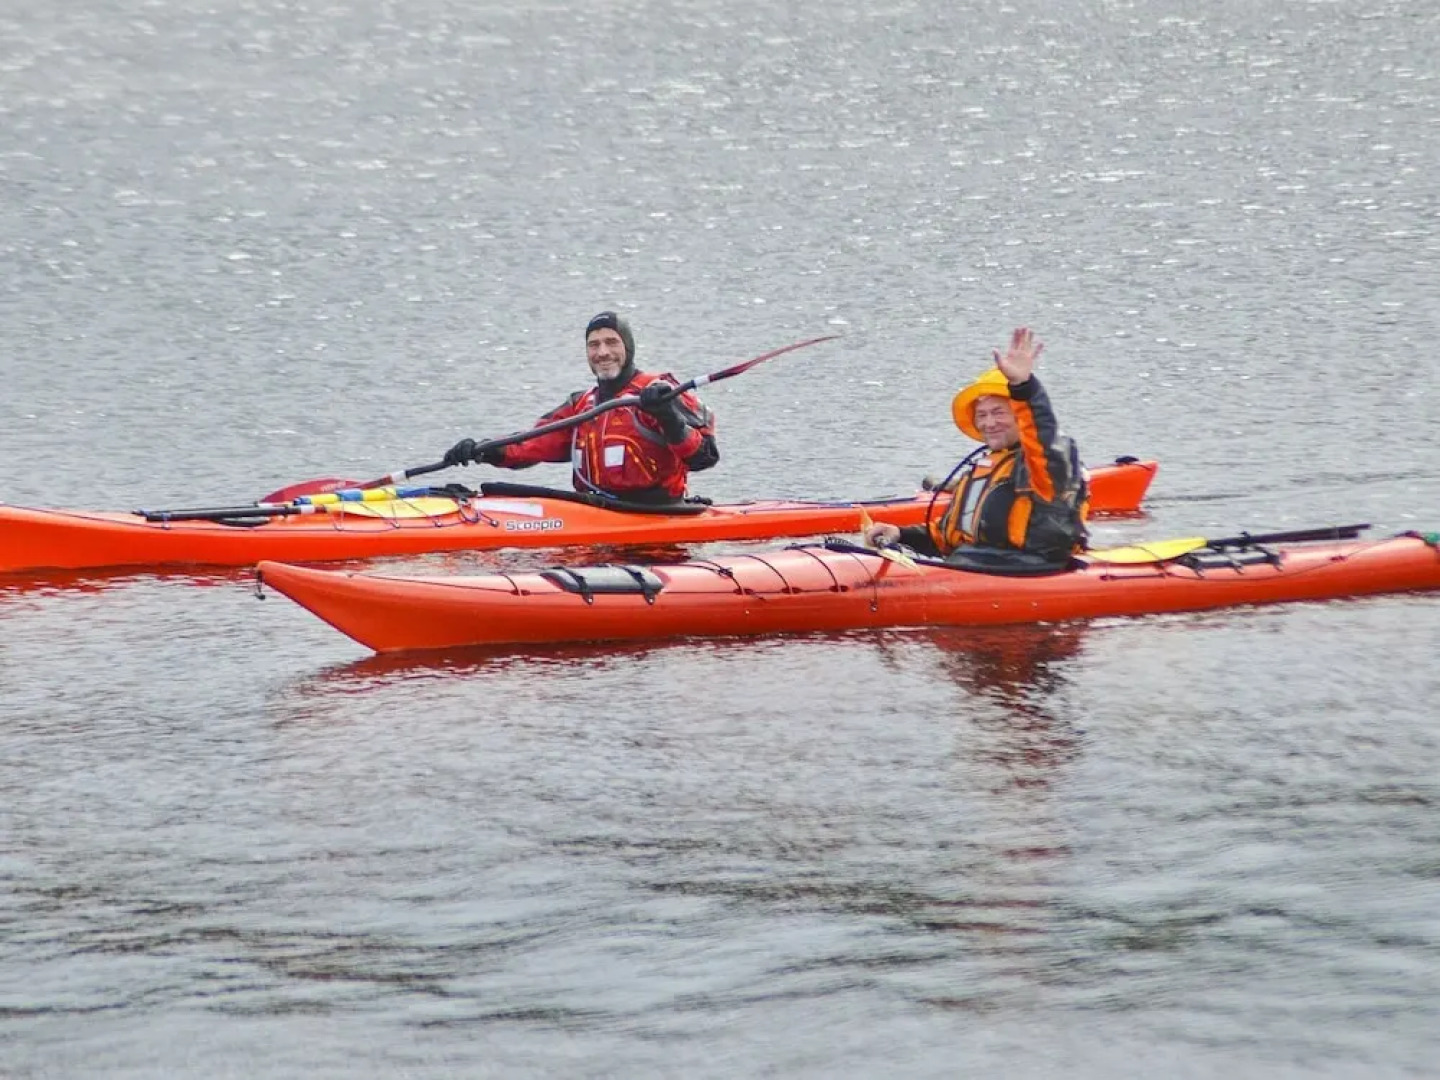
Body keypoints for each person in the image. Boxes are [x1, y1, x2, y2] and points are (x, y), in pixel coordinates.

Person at [863, 327, 1088, 572]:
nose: (989, 423)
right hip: (975, 564)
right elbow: (950, 537)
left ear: (1021, 417)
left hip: (1030, 569)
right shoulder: (987, 466)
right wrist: (900, 533)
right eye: (982, 415)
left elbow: (1042, 434)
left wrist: (1023, 387)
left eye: (998, 412)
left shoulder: (1047, 463)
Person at [441, 311, 719, 504]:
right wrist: (482, 450)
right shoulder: (581, 405)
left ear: (628, 347)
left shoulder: (661, 392)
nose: (602, 352)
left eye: (611, 342)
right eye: (593, 345)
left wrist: (667, 416)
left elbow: (705, 457)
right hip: (595, 513)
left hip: (656, 516)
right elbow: (531, 445)